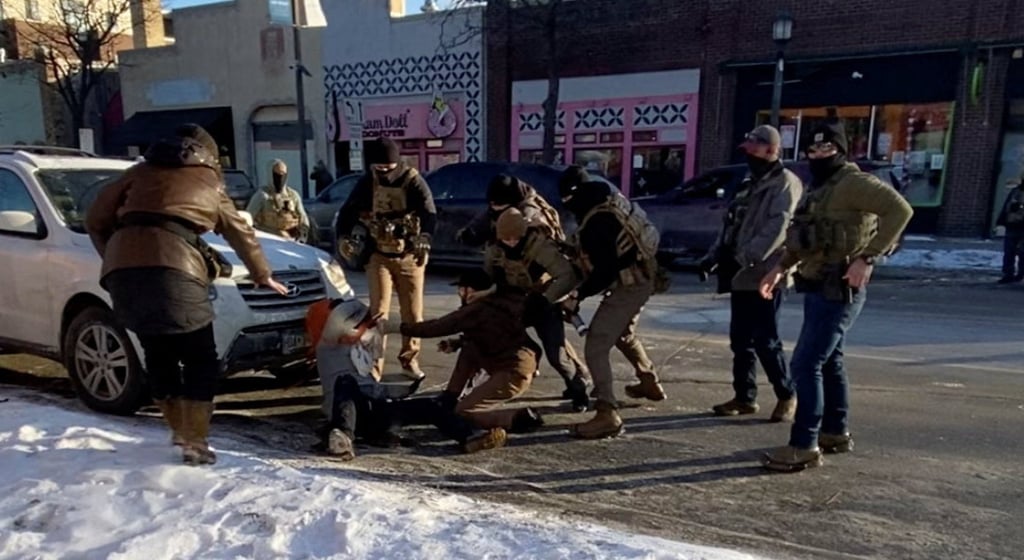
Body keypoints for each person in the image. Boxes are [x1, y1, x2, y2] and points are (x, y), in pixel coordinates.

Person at [85, 123, 288, 466]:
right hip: (175, 267)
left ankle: (179, 432)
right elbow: (240, 230)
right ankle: (194, 439)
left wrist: (117, 258)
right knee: (200, 358)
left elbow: (94, 219)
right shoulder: (208, 180)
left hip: (122, 271)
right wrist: (262, 274)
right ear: (207, 153)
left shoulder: (138, 172)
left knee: (158, 351)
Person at [759, 120, 913, 472]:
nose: (817, 156)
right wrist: (779, 268)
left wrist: (867, 257)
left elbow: (900, 210)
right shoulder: (822, 186)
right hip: (818, 282)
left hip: (840, 285)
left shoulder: (853, 183)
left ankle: (804, 445)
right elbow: (806, 236)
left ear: (841, 151)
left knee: (805, 363)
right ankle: (834, 432)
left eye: (825, 149)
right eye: (812, 150)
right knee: (830, 359)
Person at [307, 297, 505, 460]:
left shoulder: (361, 343)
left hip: (375, 412)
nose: (367, 327)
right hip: (349, 413)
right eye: (360, 323)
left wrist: (407, 327)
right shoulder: (328, 347)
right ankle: (342, 438)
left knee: (429, 406)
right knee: (345, 382)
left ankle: (469, 437)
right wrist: (401, 390)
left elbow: (390, 325)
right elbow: (344, 327)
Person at [558, 166, 666, 439]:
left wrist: (576, 296)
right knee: (623, 333)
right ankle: (648, 380)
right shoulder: (608, 201)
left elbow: (603, 271)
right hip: (644, 275)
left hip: (631, 284)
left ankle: (607, 413)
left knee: (596, 342)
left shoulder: (598, 221)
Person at [702, 125, 801, 423]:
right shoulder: (750, 182)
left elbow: (778, 227)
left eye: (754, 149)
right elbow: (732, 223)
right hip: (741, 273)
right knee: (740, 340)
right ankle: (744, 396)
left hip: (768, 273)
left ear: (771, 150)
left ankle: (787, 394)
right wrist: (714, 255)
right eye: (747, 149)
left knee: (765, 340)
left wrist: (747, 256)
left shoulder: (784, 183)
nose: (749, 154)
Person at [334, 137, 437, 381]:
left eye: (387, 168)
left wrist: (425, 235)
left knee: (413, 314)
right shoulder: (367, 181)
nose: (382, 172)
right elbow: (348, 211)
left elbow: (429, 211)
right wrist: (343, 237)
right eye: (377, 167)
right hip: (378, 255)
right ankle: (373, 366)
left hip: (409, 256)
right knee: (378, 313)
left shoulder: (413, 181)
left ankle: (409, 360)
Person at [397, 269, 545, 436]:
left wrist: (399, 327)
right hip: (516, 363)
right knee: (470, 349)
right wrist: (457, 343)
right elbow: (490, 335)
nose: (459, 293)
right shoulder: (498, 303)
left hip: (512, 372)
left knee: (463, 413)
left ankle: (518, 419)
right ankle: (450, 397)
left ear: (472, 291)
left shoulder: (479, 309)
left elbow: (439, 326)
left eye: (462, 289)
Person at [486, 208, 592, 412]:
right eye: (505, 239)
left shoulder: (539, 247)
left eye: (514, 238)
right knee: (492, 341)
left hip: (544, 306)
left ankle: (578, 390)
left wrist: (546, 298)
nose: (510, 242)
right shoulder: (495, 250)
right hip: (514, 305)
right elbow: (488, 277)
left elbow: (567, 275)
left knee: (557, 356)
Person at [456, 174, 564, 247]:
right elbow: (485, 219)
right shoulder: (497, 206)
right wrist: (470, 233)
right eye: (494, 207)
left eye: (502, 209)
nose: (497, 212)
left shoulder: (530, 213)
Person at [246, 159, 311, 242]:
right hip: (268, 241)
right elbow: (248, 218)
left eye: (283, 175)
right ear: (270, 174)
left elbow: (303, 217)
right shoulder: (262, 196)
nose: (280, 178)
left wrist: (303, 235)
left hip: (291, 241)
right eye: (276, 175)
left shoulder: (293, 195)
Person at [995, 178, 1024, 283]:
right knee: (1009, 251)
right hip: (1012, 224)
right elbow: (1007, 206)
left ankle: (1020, 273)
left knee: (1022, 252)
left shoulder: (1016, 191)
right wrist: (1002, 219)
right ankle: (1008, 273)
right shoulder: (1015, 191)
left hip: (1019, 225)